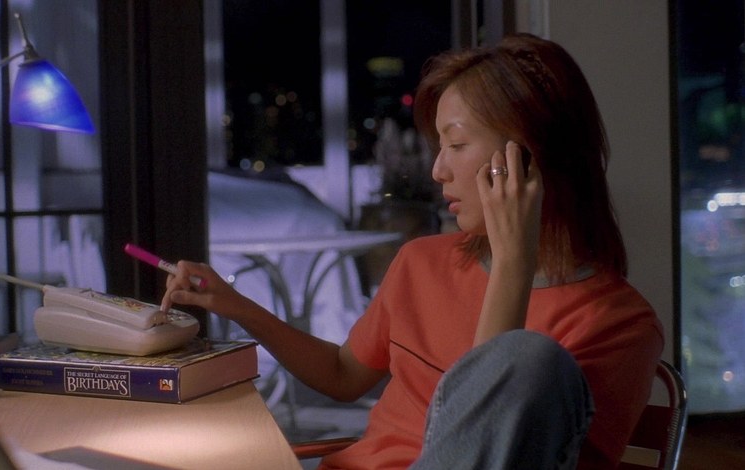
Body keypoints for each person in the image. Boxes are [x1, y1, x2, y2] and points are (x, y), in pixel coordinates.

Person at [161, 33, 663, 469]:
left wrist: (512, 266)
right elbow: (343, 375)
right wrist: (235, 305)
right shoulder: (423, 262)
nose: (438, 171)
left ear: (528, 158)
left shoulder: (620, 326)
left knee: (531, 362)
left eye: (456, 145)